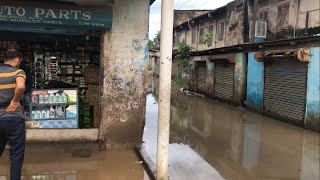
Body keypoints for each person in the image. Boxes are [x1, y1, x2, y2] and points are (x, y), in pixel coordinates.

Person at [0, 49, 26, 180]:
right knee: (16, 155)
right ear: (17, 59)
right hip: (14, 119)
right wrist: (15, 101)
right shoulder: (18, 72)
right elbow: (20, 87)